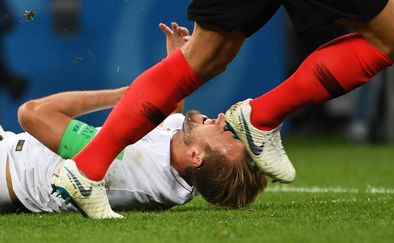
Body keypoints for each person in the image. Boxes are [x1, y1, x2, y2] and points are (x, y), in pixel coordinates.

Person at [52, 0, 394, 218]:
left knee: (208, 55)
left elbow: (34, 114)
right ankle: (262, 116)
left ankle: (86, 168)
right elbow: (34, 115)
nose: (219, 119)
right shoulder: (165, 172)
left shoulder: (166, 168)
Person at [0, 23, 266, 216]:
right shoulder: (187, 165)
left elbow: (33, 114)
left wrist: (122, 97)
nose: (222, 119)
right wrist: (176, 66)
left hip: (9, 170)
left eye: (227, 133)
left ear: (196, 156)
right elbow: (168, 119)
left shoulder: (131, 166)